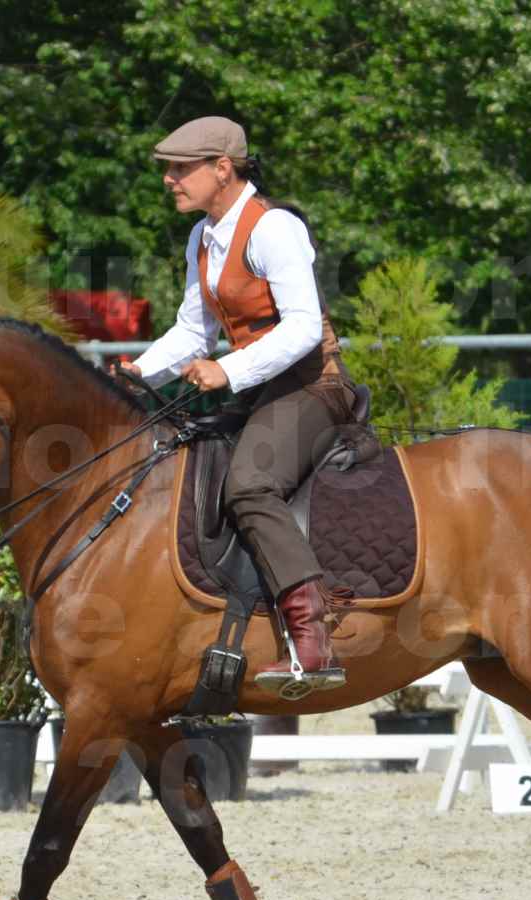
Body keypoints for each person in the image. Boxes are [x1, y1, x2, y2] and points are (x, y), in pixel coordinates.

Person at [122, 116, 359, 691]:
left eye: (181, 169)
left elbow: (303, 328)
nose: (169, 181)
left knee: (249, 483)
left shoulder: (273, 228)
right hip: (259, 390)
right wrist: (135, 373)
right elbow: (191, 331)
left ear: (222, 168)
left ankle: (312, 635)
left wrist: (226, 370)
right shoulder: (202, 237)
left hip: (313, 388)